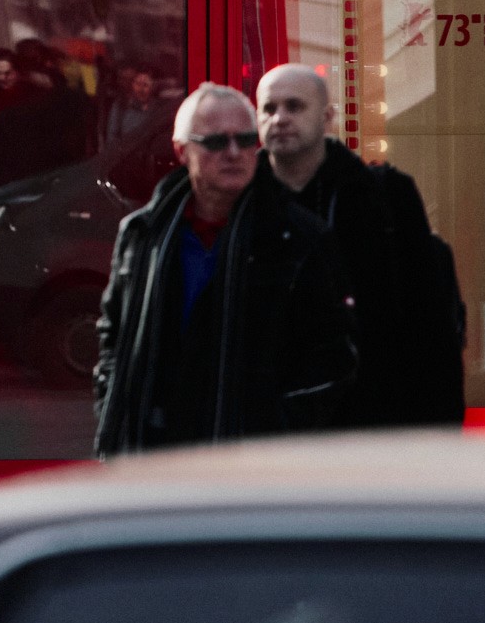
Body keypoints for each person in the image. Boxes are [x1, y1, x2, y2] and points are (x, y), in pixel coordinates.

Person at [95, 83, 354, 457]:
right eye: (216, 142)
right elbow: (112, 339)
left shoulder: (299, 239)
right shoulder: (143, 234)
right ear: (182, 151)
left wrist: (274, 436)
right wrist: (111, 414)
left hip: (251, 474)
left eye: (246, 140)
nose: (233, 153)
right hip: (149, 460)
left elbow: (332, 362)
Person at [255, 62, 462, 428]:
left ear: (327, 117)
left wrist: (435, 433)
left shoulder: (384, 198)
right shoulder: (240, 205)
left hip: (368, 418)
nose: (280, 118)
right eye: (269, 109)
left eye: (294, 106)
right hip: (268, 426)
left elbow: (428, 325)